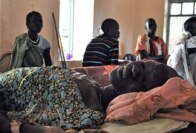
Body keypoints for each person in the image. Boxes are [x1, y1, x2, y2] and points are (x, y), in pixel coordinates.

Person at [0, 60, 180, 133]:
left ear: (142, 98)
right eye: (141, 65)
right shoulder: (91, 82)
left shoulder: (87, 115)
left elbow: (14, 124)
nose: (134, 68)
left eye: (143, 81)